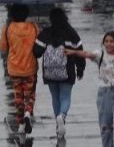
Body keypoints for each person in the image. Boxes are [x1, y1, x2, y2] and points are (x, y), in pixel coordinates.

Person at [67, 32, 114, 147]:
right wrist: (74, 52)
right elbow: (87, 54)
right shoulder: (100, 54)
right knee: (105, 126)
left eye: (111, 41)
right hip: (104, 93)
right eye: (106, 41)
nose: (109, 44)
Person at [34, 8, 86, 139]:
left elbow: (36, 52)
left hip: (50, 71)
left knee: (55, 97)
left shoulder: (46, 33)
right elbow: (80, 52)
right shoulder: (71, 33)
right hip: (67, 70)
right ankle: (62, 116)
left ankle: (58, 125)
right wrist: (80, 68)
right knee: (65, 97)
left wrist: (39, 37)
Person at [0, 4, 39, 134]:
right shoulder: (33, 27)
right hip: (30, 67)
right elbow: (39, 45)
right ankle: (28, 112)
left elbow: (3, 47)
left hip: (14, 68)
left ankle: (21, 122)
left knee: (18, 95)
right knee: (30, 93)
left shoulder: (7, 28)